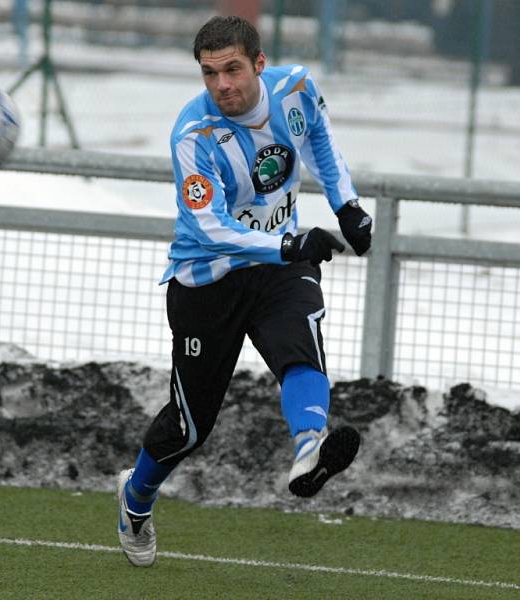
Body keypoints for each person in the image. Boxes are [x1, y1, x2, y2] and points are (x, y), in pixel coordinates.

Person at [117, 15, 373, 567]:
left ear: (259, 63)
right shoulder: (194, 136)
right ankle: (135, 499)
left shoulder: (296, 88)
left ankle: (309, 449)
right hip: (208, 282)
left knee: (298, 348)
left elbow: (320, 143)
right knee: (189, 428)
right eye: (209, 74)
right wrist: (287, 243)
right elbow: (208, 226)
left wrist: (346, 204)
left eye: (232, 69)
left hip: (279, 270)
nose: (221, 85)